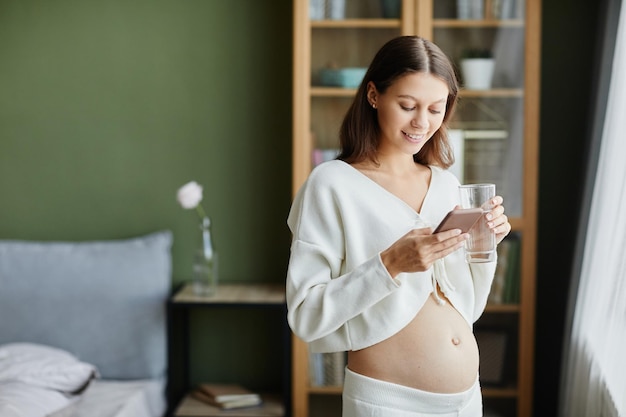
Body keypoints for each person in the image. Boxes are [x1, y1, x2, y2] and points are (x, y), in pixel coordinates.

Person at [286, 35, 511, 417]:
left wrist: (484, 246)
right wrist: (390, 264)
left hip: (466, 401)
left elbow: (468, 309)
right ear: (374, 95)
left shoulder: (446, 184)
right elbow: (306, 315)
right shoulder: (332, 184)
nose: (422, 123)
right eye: (407, 106)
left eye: (436, 109)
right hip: (389, 404)